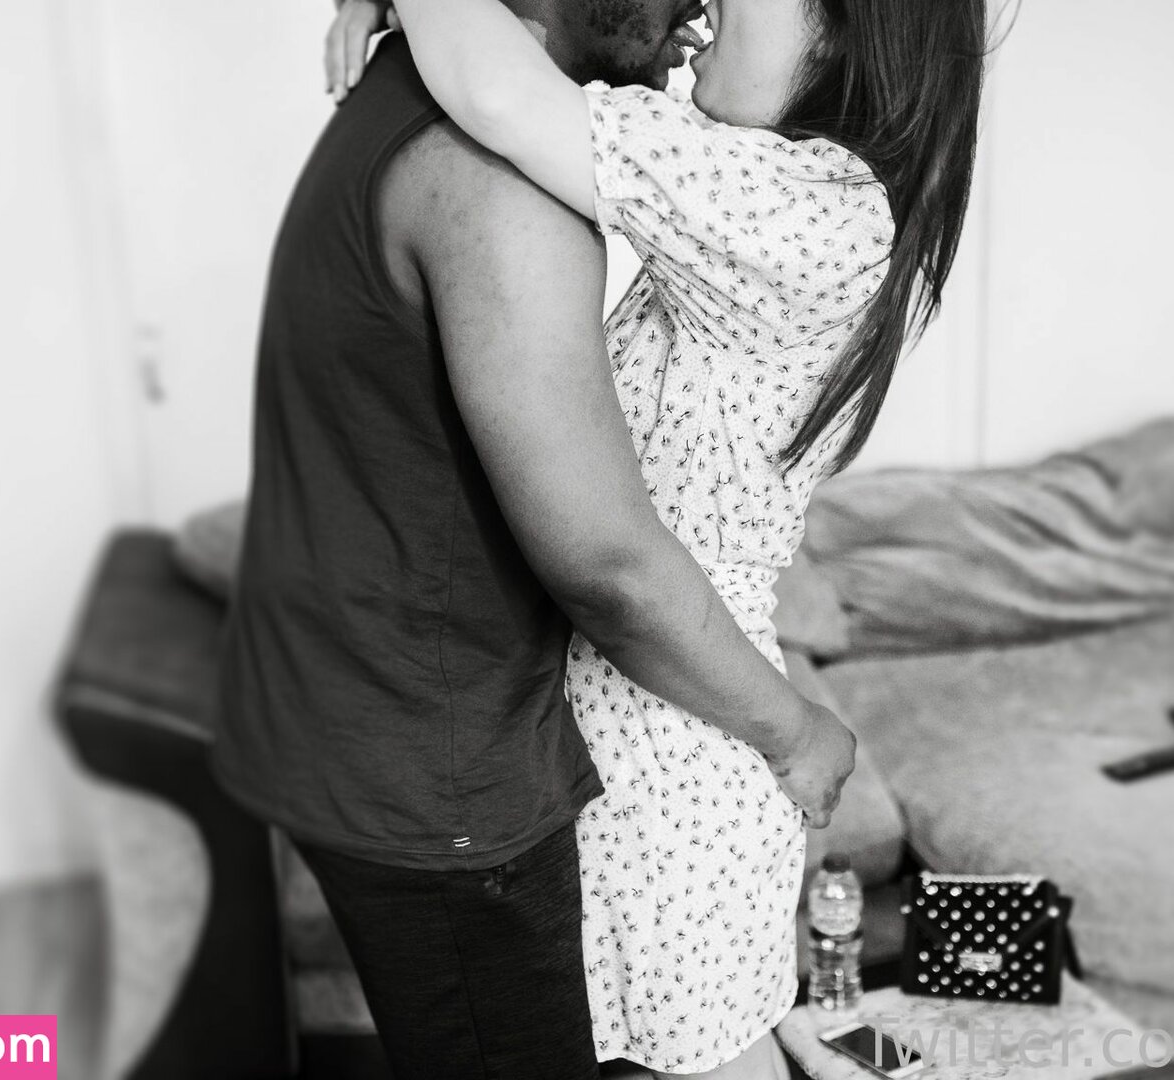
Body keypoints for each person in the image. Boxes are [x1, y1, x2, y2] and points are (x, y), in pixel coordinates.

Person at [325, 0, 987, 1074]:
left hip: (669, 741)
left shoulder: (813, 210)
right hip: (669, 725)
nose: (703, 5)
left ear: (841, 31)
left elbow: (499, 90)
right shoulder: (793, 200)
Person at [210, 1, 859, 1077]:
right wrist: (798, 734)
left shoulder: (405, 92)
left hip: (366, 729)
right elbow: (607, 565)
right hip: (436, 771)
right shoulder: (496, 178)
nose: (698, 7)